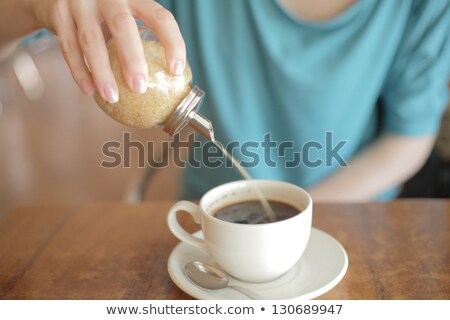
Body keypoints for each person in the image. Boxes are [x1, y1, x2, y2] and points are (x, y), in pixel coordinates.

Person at [0, 0, 449, 201]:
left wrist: (297, 219)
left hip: (355, 222)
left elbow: (410, 137)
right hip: (208, 220)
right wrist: (33, 6)